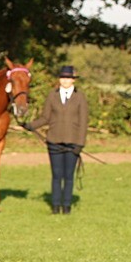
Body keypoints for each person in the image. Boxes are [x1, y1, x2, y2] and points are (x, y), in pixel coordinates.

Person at [22, 65, 89, 214]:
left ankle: (67, 206)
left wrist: (80, 143)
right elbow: (46, 117)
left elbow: (84, 122)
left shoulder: (80, 97)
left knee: (68, 176)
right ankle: (55, 206)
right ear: (59, 79)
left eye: (68, 78)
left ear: (73, 80)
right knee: (57, 175)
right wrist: (30, 125)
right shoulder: (52, 95)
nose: (65, 80)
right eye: (63, 77)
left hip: (73, 143)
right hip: (54, 141)